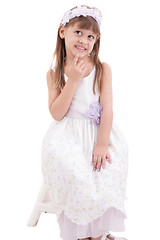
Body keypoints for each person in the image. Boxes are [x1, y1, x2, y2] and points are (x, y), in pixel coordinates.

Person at [41, 5, 129, 240]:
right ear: (63, 32)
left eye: (90, 36)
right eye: (78, 32)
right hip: (67, 138)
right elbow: (57, 113)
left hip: (97, 134)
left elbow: (108, 110)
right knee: (76, 174)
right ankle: (82, 234)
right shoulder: (55, 73)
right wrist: (73, 80)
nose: (84, 40)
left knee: (104, 173)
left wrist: (101, 144)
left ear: (96, 40)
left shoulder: (102, 69)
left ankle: (97, 233)